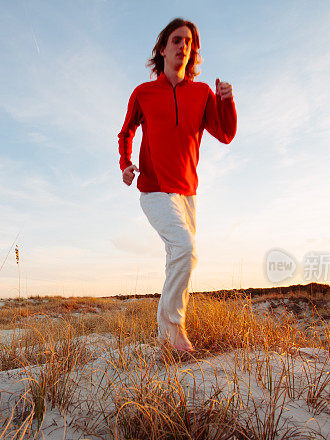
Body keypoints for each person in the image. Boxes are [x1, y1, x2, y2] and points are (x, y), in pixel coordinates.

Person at [118, 18, 237, 354]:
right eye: (176, 40)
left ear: (192, 51)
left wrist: (225, 100)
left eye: (188, 42)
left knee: (181, 258)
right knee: (186, 250)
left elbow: (225, 134)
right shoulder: (144, 93)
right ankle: (174, 330)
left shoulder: (202, 94)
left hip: (187, 192)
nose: (182, 46)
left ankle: (163, 334)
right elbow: (126, 132)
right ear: (162, 48)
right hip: (154, 188)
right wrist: (126, 163)